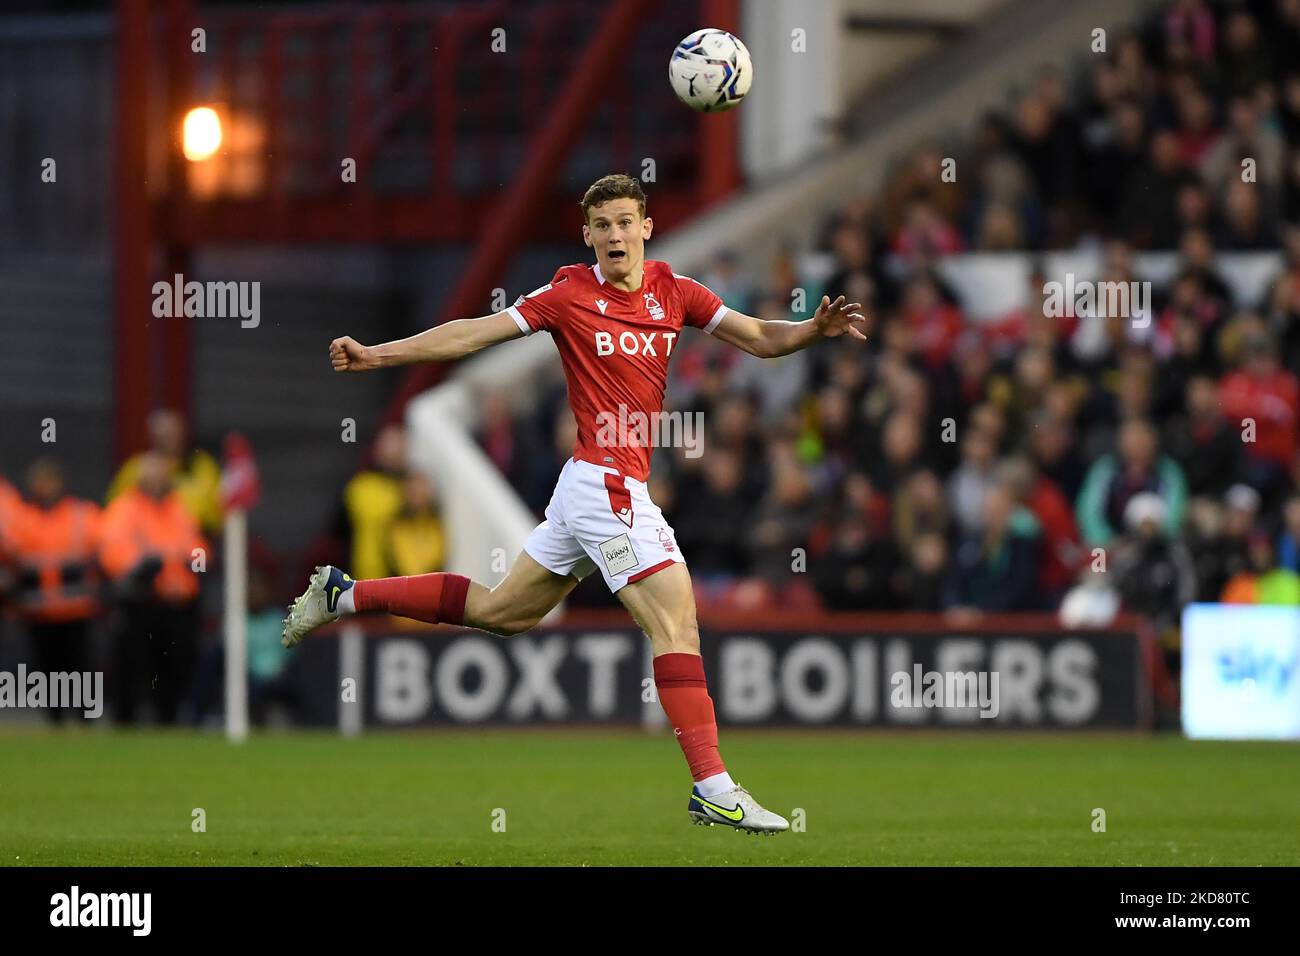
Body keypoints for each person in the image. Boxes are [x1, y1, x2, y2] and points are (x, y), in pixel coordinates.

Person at [281, 173, 868, 834]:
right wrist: (380, 355)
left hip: (602, 486)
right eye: (603, 226)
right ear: (587, 235)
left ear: (646, 227)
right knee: (677, 622)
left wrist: (811, 331)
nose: (615, 235)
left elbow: (759, 337)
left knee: (504, 612)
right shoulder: (568, 295)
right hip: (600, 482)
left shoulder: (677, 291)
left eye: (626, 222)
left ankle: (344, 595)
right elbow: (474, 333)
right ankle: (714, 786)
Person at [99, 451, 206, 724]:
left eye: (161, 476)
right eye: (152, 476)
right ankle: (126, 721)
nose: (157, 481)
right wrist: (141, 564)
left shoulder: (179, 508)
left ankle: (169, 718)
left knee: (176, 665)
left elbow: (199, 550)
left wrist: (188, 561)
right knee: (133, 665)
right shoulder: (125, 508)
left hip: (177, 603)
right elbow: (113, 551)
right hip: (140, 601)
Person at [6, 460, 101, 722]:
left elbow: (102, 548)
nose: (44, 487)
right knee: (47, 670)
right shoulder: (24, 519)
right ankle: (55, 718)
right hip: (38, 611)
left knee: (79, 667)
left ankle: (84, 718)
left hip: (75, 609)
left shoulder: (81, 515)